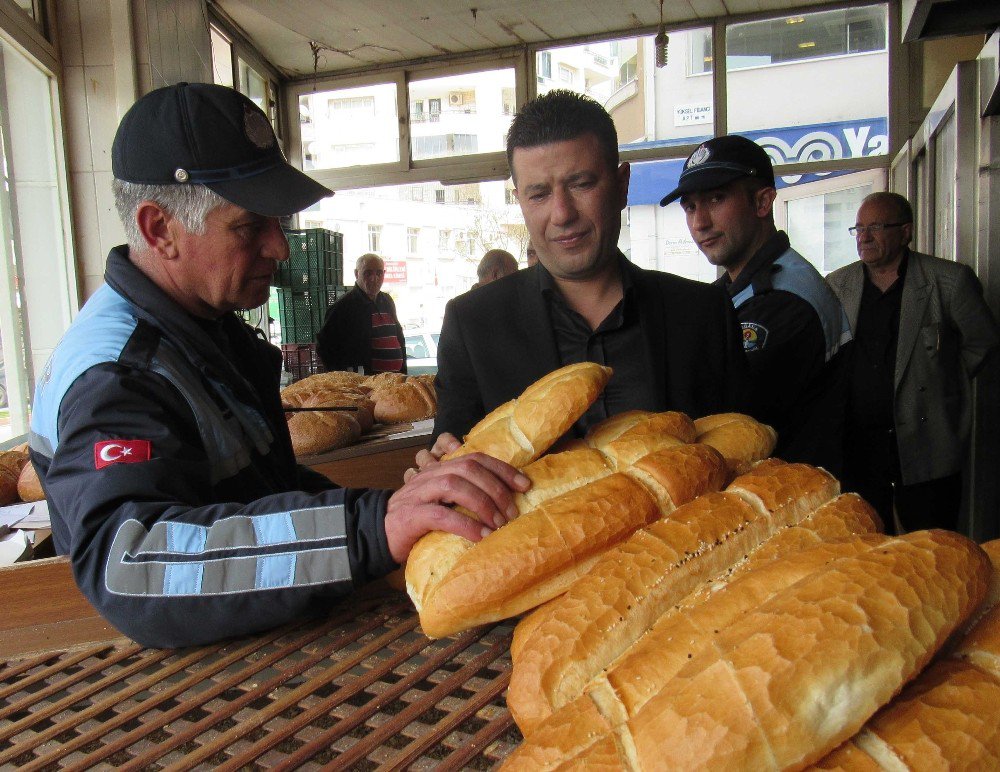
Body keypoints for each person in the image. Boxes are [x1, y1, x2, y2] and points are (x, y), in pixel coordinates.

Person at [28, 82, 529, 649]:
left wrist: (396, 509)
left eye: (278, 221)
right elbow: (133, 563)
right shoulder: (117, 373)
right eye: (249, 226)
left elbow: (261, 494)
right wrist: (369, 527)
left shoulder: (204, 332)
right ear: (159, 229)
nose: (280, 247)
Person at [425, 90, 747, 462]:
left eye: (581, 184)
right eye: (539, 194)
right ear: (521, 202)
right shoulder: (473, 325)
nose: (562, 214)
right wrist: (434, 474)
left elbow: (748, 457)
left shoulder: (703, 314)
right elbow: (448, 456)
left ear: (622, 184)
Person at [660, 135, 852, 474]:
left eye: (716, 198)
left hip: (794, 498)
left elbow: (722, 418)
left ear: (763, 203)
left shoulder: (783, 302)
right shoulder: (741, 287)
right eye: (690, 206)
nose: (699, 223)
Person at [827, 192, 1000, 533]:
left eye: (875, 227)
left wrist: (942, 379)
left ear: (905, 232)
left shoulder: (949, 281)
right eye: (858, 228)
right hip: (859, 448)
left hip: (924, 443)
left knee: (931, 547)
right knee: (866, 547)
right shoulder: (839, 284)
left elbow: (981, 342)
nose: (863, 237)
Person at [316, 253, 406, 374]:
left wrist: (403, 371)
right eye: (368, 273)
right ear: (356, 273)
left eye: (379, 273)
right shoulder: (343, 306)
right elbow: (323, 346)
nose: (374, 278)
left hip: (393, 381)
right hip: (364, 384)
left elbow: (399, 337)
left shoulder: (387, 301)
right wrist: (343, 376)